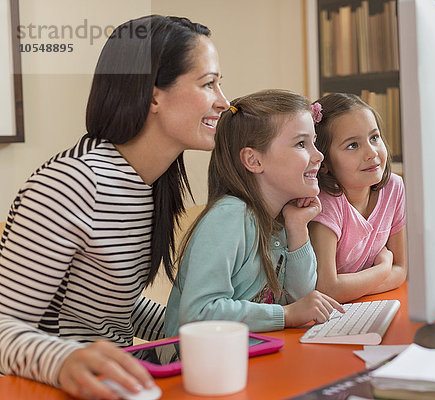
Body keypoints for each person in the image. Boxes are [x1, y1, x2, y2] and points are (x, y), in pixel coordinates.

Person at [0, 15, 228, 399]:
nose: (224, 101)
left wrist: (201, 329)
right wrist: (66, 361)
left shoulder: (150, 183)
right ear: (154, 94)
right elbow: (3, 326)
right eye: (209, 84)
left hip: (120, 383)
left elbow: (114, 306)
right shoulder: (71, 183)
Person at [165, 89, 344, 337]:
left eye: (314, 143)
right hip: (198, 365)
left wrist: (297, 228)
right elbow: (199, 313)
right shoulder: (230, 216)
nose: (319, 155)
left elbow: (303, 299)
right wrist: (287, 315)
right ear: (253, 160)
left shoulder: (281, 217)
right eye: (301, 144)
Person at [308, 93, 407, 303]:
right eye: (353, 145)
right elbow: (326, 289)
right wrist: (382, 270)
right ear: (324, 162)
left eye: (374, 138)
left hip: (365, 306)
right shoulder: (326, 201)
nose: (371, 153)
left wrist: (353, 287)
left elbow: (402, 270)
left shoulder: (393, 188)